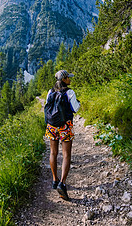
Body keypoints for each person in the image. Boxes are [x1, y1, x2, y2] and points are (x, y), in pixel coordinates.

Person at [45, 69, 80, 200]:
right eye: (68, 78)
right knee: (66, 155)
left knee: (53, 153)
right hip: (65, 126)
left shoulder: (51, 91)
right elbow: (76, 108)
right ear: (64, 79)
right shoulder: (69, 92)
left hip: (52, 126)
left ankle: (55, 180)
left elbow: (48, 105)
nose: (70, 80)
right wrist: (79, 103)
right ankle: (62, 183)